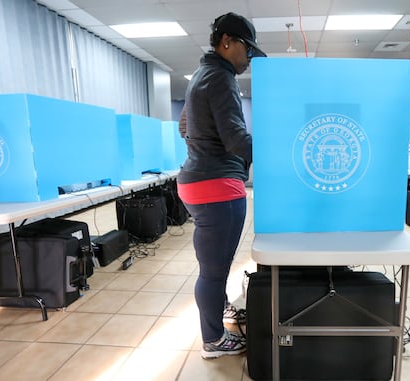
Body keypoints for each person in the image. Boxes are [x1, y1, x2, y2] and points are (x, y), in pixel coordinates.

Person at [176, 12, 266, 359]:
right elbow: (236, 139)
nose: (249, 58)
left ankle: (221, 311)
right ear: (226, 41)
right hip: (216, 185)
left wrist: (203, 149)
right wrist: (276, 153)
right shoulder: (221, 77)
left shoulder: (200, 75)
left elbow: (185, 126)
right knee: (213, 273)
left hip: (198, 181)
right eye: (247, 49)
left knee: (214, 269)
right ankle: (214, 341)